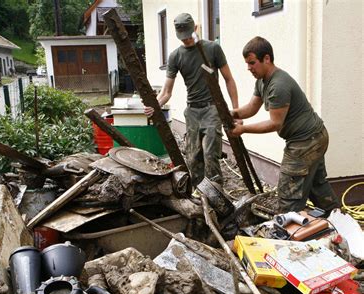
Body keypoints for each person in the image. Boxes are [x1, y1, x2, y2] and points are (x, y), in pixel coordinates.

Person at [229, 36, 339, 213]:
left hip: (306, 142)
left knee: (289, 192)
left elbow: (274, 123)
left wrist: (243, 129)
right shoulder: (262, 81)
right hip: (314, 136)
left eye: (252, 63)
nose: (248, 68)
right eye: (247, 63)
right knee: (317, 187)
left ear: (267, 58)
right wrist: (232, 113)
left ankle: (289, 227)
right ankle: (340, 221)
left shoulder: (279, 85)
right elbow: (251, 107)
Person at [145, 13, 238, 189]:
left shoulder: (212, 49)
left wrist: (236, 110)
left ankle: (217, 196)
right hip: (192, 112)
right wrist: (155, 107)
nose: (186, 40)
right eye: (183, 37)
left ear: (195, 28)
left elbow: (229, 79)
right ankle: (200, 195)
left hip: (212, 109)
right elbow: (166, 92)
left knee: (210, 155)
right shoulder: (175, 56)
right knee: (193, 158)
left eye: (188, 35)